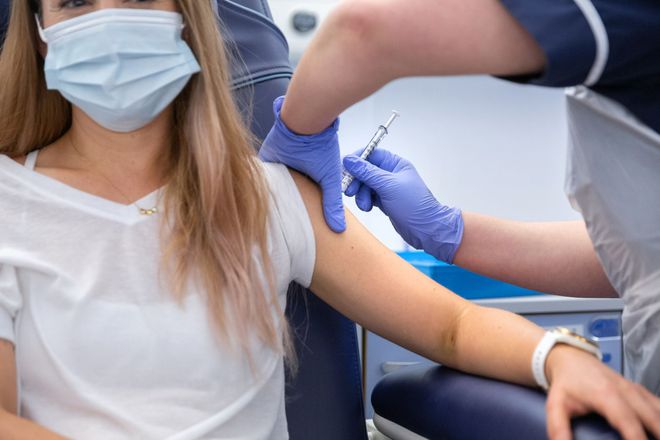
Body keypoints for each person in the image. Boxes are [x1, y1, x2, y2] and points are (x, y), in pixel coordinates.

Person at [0, 1, 658, 439]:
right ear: (35, 28)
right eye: (75, 0)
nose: (108, 18)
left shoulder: (265, 194)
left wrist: (558, 358)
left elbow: (452, 325)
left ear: (186, 20)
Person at [258, 0, 660, 401]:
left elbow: (363, 31)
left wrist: (300, 133)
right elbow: (634, 258)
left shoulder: (270, 198)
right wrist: (448, 230)